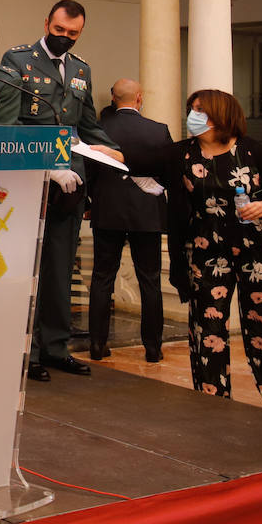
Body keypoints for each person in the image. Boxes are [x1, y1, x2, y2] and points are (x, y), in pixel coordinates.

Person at [166, 89, 262, 417]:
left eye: (201, 110)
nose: (194, 116)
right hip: (206, 253)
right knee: (208, 332)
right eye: (192, 110)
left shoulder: (251, 151)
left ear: (221, 114)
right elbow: (141, 162)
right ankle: (212, 407)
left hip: (260, 252)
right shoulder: (181, 154)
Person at [0, 0, 123, 383]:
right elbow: (12, 121)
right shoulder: (18, 60)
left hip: (72, 179)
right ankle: (28, 350)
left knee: (59, 266)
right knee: (29, 267)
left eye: (73, 34)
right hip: (31, 179)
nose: (65, 38)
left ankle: (56, 347)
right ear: (47, 24)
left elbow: (86, 123)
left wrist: (111, 148)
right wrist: (44, 162)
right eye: (59, 31)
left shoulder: (81, 69)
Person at [86, 79, 172, 363]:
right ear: (139, 97)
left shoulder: (98, 130)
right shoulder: (158, 130)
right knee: (150, 281)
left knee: (101, 279)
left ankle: (97, 345)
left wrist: (90, 202)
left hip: (107, 211)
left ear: (112, 98)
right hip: (147, 213)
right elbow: (167, 170)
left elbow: (89, 171)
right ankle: (153, 348)